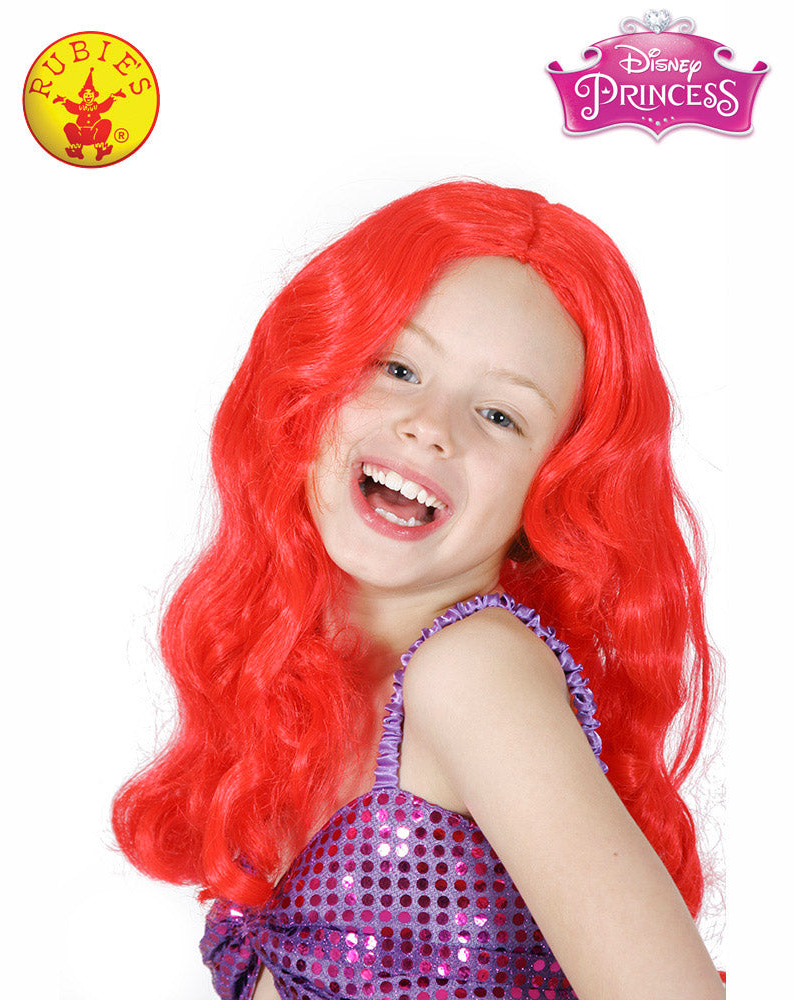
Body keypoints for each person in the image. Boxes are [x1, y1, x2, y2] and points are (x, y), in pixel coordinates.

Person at [112, 181, 725, 999]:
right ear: (312, 386)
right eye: (399, 368)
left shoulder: (473, 672)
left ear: (553, 491)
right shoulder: (312, 693)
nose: (430, 426)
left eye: (500, 416)